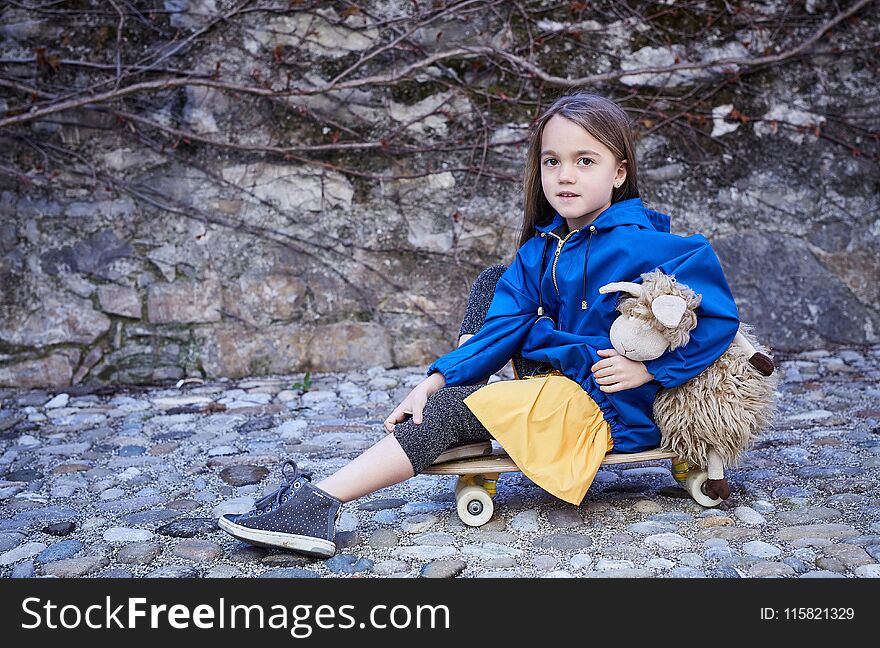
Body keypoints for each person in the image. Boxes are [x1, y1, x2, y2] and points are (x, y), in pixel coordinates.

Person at [218, 90, 741, 558]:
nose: (565, 176)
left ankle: (320, 502)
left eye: (586, 161)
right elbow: (501, 325)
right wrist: (434, 379)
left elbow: (718, 318)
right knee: (496, 281)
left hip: (606, 405)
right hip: (560, 381)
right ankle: (463, 409)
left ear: (619, 172)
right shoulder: (543, 249)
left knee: (452, 407)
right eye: (552, 161)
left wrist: (651, 372)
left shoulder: (651, 246)